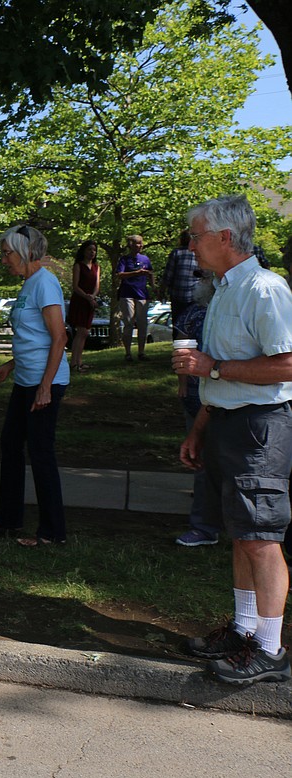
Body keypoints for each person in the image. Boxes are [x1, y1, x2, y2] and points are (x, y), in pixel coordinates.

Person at [172, 194, 292, 684]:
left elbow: (287, 363)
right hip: (226, 423)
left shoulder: (265, 289)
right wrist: (199, 427)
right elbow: (217, 373)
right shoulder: (222, 289)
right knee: (243, 534)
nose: (190, 246)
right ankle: (244, 632)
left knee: (261, 539)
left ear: (224, 237)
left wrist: (213, 367)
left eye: (196, 236)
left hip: (259, 427)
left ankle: (270, 649)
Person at [0, 225, 69, 546]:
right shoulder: (29, 284)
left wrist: (45, 386)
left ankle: (52, 532)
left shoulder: (45, 283)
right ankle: (9, 519)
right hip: (25, 379)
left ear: (26, 252)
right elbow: (34, 338)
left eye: (7, 253)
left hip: (45, 383)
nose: (3, 260)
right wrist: (10, 364)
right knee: (10, 444)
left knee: (41, 453)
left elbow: (60, 337)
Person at [173, 275, 218, 547]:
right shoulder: (195, 313)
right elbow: (180, 345)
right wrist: (182, 382)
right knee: (201, 458)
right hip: (198, 393)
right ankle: (205, 526)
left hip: (231, 396)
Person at [115, 235, 153, 362]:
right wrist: (136, 273)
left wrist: (154, 286)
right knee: (129, 323)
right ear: (130, 245)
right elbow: (119, 275)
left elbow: (150, 273)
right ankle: (128, 353)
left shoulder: (145, 259)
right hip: (127, 294)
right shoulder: (124, 259)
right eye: (137, 243)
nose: (140, 245)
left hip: (142, 294)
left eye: (141, 243)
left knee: (142, 323)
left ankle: (141, 352)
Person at [66, 240, 101, 372]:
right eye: (89, 250)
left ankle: (79, 362)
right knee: (81, 332)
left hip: (90, 302)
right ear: (84, 251)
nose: (92, 252)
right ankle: (74, 363)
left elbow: (97, 286)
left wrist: (92, 296)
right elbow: (75, 287)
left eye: (94, 250)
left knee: (85, 333)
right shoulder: (78, 266)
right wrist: (86, 296)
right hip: (80, 300)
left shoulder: (96, 266)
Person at [160, 231, 199, 323]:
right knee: (193, 322)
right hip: (195, 295)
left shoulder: (176, 253)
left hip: (178, 295)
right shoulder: (198, 253)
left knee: (177, 324)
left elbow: (168, 275)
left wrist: (162, 291)